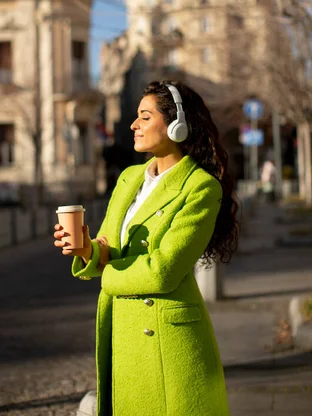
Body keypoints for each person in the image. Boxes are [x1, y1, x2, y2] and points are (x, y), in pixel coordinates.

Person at [54, 80, 239, 416]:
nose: (133, 125)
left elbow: (163, 271)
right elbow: (107, 247)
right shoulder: (128, 178)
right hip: (124, 336)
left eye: (144, 116)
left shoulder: (200, 187)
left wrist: (107, 274)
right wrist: (84, 249)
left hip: (168, 342)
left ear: (177, 126)